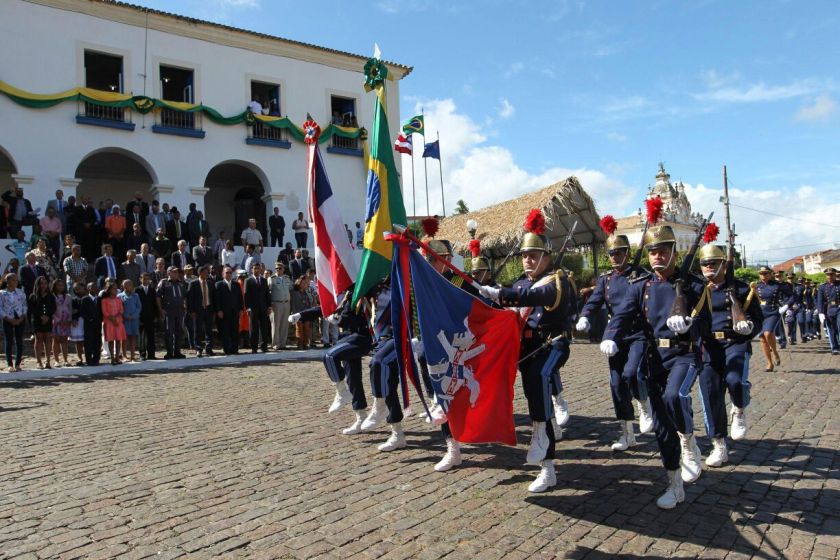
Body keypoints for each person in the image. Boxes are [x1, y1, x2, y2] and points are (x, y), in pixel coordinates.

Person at [599, 224, 710, 509]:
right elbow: (622, 315)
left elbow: (708, 325)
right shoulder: (642, 287)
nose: (657, 256)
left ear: (674, 252)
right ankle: (674, 484)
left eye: (663, 251)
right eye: (653, 252)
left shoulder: (695, 285)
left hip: (684, 355)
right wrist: (611, 336)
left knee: (676, 396)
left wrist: (690, 324)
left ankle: (689, 441)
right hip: (654, 360)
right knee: (661, 427)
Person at [478, 216, 577, 493]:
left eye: (534, 256)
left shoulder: (559, 280)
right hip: (528, 349)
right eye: (524, 256)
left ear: (547, 257)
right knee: (533, 391)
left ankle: (541, 439)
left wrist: (501, 294)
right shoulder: (522, 282)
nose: (528, 261)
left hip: (554, 344)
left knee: (540, 378)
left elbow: (538, 296)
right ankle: (547, 461)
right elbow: (510, 299)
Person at [576, 232, 655, 451]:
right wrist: (585, 315)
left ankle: (644, 403)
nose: (614, 257)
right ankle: (627, 433)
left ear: (628, 253)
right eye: (611, 254)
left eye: (618, 253)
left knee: (632, 374)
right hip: (615, 335)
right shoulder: (606, 279)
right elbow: (594, 300)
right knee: (616, 384)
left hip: (637, 332)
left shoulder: (641, 275)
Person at [695, 244, 763, 467]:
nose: (708, 267)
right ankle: (719, 445)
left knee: (735, 380)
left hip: (735, 342)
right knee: (711, 395)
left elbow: (757, 319)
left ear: (724, 264)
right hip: (709, 345)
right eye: (705, 264)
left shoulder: (742, 289)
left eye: (713, 263)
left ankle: (739, 407)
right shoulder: (697, 290)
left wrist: (749, 326)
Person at [290, 283, 373, 435]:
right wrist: (301, 315)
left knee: (329, 356)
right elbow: (324, 310)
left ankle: (342, 392)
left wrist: (340, 320)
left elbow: (364, 319)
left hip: (361, 338)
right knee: (353, 379)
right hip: (347, 338)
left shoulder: (362, 293)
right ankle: (360, 416)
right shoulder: (344, 295)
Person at [755, 266, 786, 371]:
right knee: (762, 338)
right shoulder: (757, 286)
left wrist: (786, 306)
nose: (763, 276)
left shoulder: (778, 285)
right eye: (761, 273)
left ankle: (775, 352)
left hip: (772, 312)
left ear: (770, 274)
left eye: (766, 273)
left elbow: (791, 295)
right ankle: (769, 363)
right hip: (760, 314)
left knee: (768, 333)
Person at [157, 266, 186, 359]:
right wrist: (161, 309)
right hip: (169, 311)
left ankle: (177, 352)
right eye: (173, 272)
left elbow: (185, 296)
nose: (176, 274)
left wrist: (185, 306)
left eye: (176, 272)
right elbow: (158, 296)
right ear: (168, 273)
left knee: (179, 331)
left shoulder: (181, 283)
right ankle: (169, 352)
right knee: (169, 331)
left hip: (179, 311)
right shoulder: (164, 282)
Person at [0, 273, 27, 372]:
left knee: (19, 340)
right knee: (9, 341)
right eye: (13, 280)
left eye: (16, 280)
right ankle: (10, 364)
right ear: (7, 281)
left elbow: (24, 305)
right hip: (8, 318)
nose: (15, 282)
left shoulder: (20, 292)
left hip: (19, 317)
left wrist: (21, 317)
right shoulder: (2, 293)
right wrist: (8, 319)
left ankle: (18, 363)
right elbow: (0, 308)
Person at [188, 264, 216, 357]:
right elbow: (190, 299)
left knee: (209, 330)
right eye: (205, 272)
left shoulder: (210, 282)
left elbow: (213, 296)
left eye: (207, 272)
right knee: (198, 330)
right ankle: (198, 349)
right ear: (200, 273)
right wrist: (191, 311)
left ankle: (209, 349)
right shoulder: (193, 283)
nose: (207, 274)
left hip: (208, 309)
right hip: (198, 310)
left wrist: (214, 309)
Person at [29, 276, 56, 369]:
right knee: (39, 340)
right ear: (38, 285)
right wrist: (41, 316)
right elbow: (32, 309)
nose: (43, 285)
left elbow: (53, 308)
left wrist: (47, 316)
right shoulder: (33, 296)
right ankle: (38, 361)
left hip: (48, 320)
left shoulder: (51, 296)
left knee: (48, 340)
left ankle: (48, 361)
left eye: (45, 283)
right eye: (41, 284)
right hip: (37, 320)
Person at [215, 266, 242, 355]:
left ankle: (235, 349)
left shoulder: (236, 284)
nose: (229, 274)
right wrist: (219, 310)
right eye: (227, 273)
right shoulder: (219, 285)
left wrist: (241, 309)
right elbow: (217, 299)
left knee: (235, 331)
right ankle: (227, 349)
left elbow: (240, 298)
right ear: (223, 274)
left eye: (230, 272)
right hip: (224, 312)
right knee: (225, 332)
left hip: (234, 312)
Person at [245, 262, 271, 353]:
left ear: (261, 269)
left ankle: (264, 346)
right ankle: (254, 347)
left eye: (258, 268)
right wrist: (248, 308)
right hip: (253, 309)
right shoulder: (248, 280)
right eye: (255, 268)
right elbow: (246, 296)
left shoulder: (264, 280)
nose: (257, 270)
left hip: (263, 308)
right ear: (252, 269)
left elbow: (267, 294)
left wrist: (269, 306)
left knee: (264, 328)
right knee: (254, 329)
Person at [101, 280, 126, 365]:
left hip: (118, 321)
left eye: (116, 289)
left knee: (118, 339)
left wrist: (117, 317)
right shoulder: (105, 300)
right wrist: (112, 318)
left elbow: (121, 310)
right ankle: (112, 357)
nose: (116, 290)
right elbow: (105, 311)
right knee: (111, 340)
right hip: (109, 322)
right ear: (109, 290)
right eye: (114, 289)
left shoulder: (118, 299)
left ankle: (117, 357)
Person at [816, 267, 840, 354]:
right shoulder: (822, 287)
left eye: (832, 275)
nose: (830, 276)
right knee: (831, 329)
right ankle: (835, 347)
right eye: (828, 275)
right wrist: (820, 313)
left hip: (839, 308)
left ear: (835, 275)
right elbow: (820, 301)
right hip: (829, 309)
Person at [51, 278, 73, 368]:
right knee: (56, 340)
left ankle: (65, 359)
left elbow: (70, 308)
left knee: (64, 340)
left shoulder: (68, 296)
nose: (61, 287)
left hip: (66, 321)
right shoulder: (52, 296)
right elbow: (51, 309)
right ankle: (56, 360)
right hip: (56, 321)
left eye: (62, 285)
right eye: (58, 285)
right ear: (55, 286)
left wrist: (69, 319)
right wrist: (56, 319)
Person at [270, 262, 292, 349]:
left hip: (286, 303)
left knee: (284, 324)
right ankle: (276, 344)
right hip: (276, 303)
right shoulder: (272, 279)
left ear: (283, 269)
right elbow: (268, 291)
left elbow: (290, 289)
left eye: (280, 268)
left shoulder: (287, 278)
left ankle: (283, 344)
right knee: (276, 324)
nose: (278, 270)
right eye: (276, 268)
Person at [81, 281, 103, 366]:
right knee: (89, 342)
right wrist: (89, 319)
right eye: (92, 287)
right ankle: (89, 360)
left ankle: (96, 359)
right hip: (88, 324)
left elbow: (101, 311)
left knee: (97, 341)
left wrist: (100, 319)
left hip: (97, 324)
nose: (94, 288)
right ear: (88, 288)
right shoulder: (85, 299)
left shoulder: (99, 299)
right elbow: (83, 312)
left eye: (95, 287)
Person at [137, 273, 157, 360]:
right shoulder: (137, 290)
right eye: (144, 279)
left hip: (151, 316)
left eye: (147, 279)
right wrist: (138, 317)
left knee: (151, 336)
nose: (146, 280)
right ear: (140, 279)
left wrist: (156, 315)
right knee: (142, 337)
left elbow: (155, 304)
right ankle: (142, 354)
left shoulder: (152, 290)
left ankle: (151, 354)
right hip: (141, 317)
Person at [119, 279, 141, 362]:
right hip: (124, 320)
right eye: (129, 285)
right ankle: (124, 355)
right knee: (124, 338)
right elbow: (119, 308)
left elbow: (139, 307)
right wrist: (125, 315)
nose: (131, 286)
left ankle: (133, 356)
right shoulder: (120, 296)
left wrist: (134, 315)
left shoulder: (136, 295)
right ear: (124, 286)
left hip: (134, 320)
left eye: (131, 285)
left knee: (133, 337)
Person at [290, 276, 312, 348]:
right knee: (299, 329)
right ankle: (300, 344)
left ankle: (305, 344)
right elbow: (293, 303)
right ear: (298, 284)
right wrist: (294, 313)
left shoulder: (306, 292)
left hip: (306, 312)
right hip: (298, 313)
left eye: (305, 283)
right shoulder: (294, 292)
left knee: (306, 329)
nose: (304, 284)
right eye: (302, 283)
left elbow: (309, 302)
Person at [69, 282, 86, 366]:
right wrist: (74, 318)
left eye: (79, 288)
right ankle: (80, 358)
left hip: (87, 321)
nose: (78, 290)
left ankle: (88, 357)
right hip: (78, 322)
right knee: (78, 341)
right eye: (76, 289)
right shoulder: (74, 299)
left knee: (86, 340)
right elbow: (73, 311)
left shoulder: (88, 298)